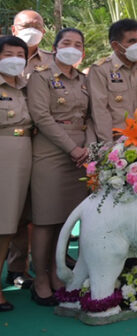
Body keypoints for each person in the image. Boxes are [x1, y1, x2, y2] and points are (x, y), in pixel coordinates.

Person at [27, 28, 94, 305]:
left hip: (81, 154)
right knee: (45, 219)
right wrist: (72, 148)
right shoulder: (41, 77)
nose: (72, 47)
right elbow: (41, 117)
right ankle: (40, 277)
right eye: (66, 43)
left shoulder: (85, 79)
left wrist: (89, 147)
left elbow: (92, 116)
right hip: (51, 151)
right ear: (54, 47)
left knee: (66, 220)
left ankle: (57, 273)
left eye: (78, 44)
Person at [6, 10, 50, 290]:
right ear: (13, 28)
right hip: (11, 143)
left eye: (37, 25)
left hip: (45, 143)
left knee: (42, 207)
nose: (32, 29)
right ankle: (16, 268)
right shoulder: (4, 54)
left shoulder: (53, 61)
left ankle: (45, 264)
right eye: (26, 25)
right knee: (15, 211)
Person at [0, 35, 33, 312]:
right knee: (2, 226)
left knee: (12, 224)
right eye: (7, 54)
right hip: (3, 155)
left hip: (26, 153)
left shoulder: (26, 86)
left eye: (19, 55)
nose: (14, 59)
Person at [87, 19, 137, 142]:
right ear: (116, 45)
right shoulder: (101, 70)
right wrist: (108, 146)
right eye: (132, 41)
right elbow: (100, 112)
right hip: (116, 141)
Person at [11, 10, 53, 76]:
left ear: (43, 32)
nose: (31, 31)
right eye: (25, 26)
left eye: (37, 27)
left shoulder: (52, 61)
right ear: (13, 30)